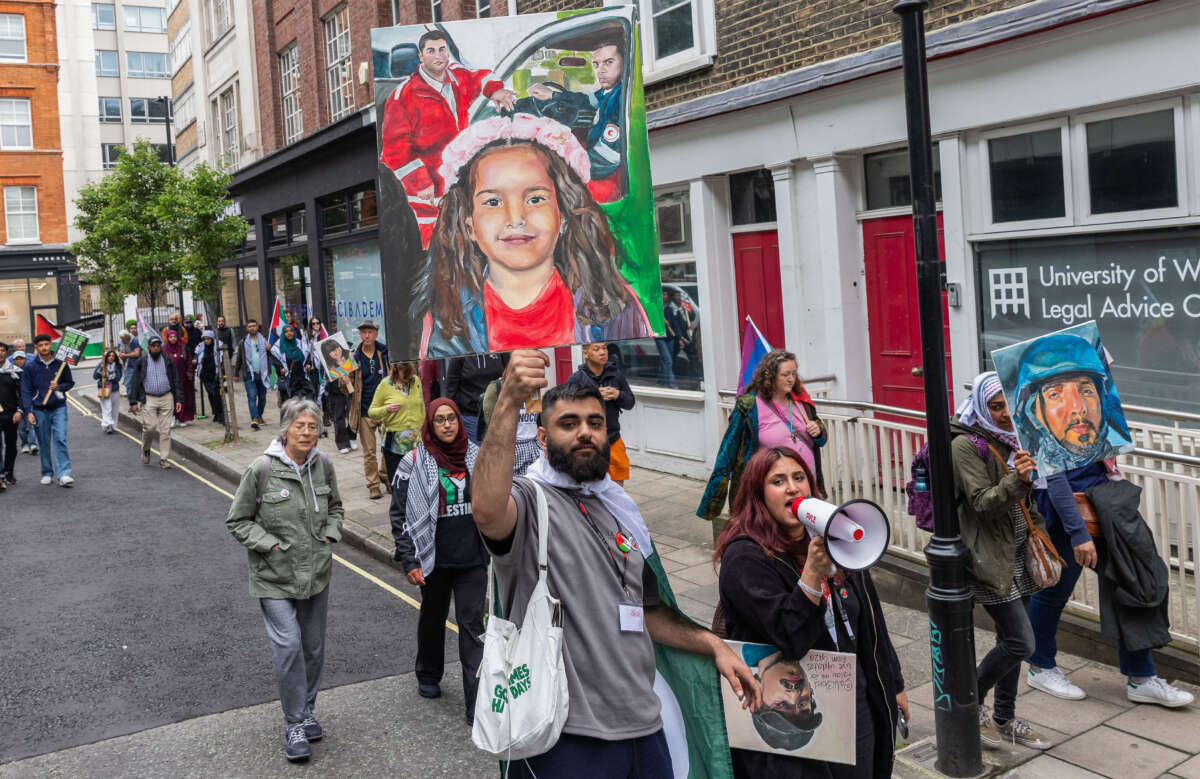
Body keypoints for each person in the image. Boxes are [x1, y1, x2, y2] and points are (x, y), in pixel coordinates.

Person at [471, 349, 761, 776]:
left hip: (644, 728)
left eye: (595, 423)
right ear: (543, 439)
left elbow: (646, 613)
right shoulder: (532, 503)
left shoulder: (617, 510)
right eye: (568, 424)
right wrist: (510, 400)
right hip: (565, 737)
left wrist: (712, 644)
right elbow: (487, 510)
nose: (585, 432)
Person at [716, 446, 907, 777]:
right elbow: (791, 636)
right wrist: (811, 576)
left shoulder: (836, 538)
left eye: (799, 477)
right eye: (777, 481)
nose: (792, 488)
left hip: (854, 696)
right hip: (791, 718)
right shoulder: (745, 558)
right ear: (758, 496)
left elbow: (872, 621)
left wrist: (895, 683)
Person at [419, 113, 653, 357]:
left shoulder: (610, 307)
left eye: (535, 199)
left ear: (563, 215)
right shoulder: (449, 319)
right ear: (469, 227)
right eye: (493, 201)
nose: (516, 217)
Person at [225, 398, 343, 763]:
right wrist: (270, 544)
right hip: (274, 576)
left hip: (316, 573)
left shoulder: (323, 466)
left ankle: (307, 711)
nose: (307, 432)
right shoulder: (261, 469)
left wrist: (330, 534)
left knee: (313, 648)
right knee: (289, 647)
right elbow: (238, 520)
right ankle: (294, 722)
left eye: (312, 426)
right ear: (285, 429)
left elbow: (336, 507)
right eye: (300, 426)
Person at [1026, 459, 1193, 707]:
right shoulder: (1045, 419)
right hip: (1064, 509)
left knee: (1131, 582)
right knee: (1053, 592)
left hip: (1103, 501)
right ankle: (1040, 667)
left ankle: (1142, 677)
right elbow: (1054, 475)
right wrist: (1078, 533)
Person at [950, 371, 1051, 749]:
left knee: (1010, 639)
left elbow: (1026, 501)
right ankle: (968, 704)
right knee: (1022, 642)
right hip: (990, 556)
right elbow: (981, 503)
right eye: (996, 406)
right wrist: (1018, 479)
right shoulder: (966, 446)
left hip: (1020, 552)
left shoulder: (1015, 439)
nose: (1005, 413)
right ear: (981, 406)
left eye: (1009, 404)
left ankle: (1004, 718)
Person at [389, 398, 486, 724]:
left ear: (460, 422)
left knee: (473, 625)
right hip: (433, 559)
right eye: (440, 420)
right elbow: (399, 514)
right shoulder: (413, 462)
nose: (446, 424)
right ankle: (428, 673)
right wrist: (409, 559)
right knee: (433, 617)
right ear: (430, 425)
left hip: (472, 557)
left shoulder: (478, 457)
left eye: (452, 419)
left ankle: (477, 705)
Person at [378, 29, 518, 247]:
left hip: (459, 183)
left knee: (468, 246)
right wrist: (421, 182)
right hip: (428, 196)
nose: (438, 55)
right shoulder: (403, 96)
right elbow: (394, 150)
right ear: (421, 57)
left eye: (442, 49)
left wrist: (494, 91)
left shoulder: (457, 78)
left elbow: (481, 77)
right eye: (431, 51)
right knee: (438, 252)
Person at [699, 350, 828, 522]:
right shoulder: (750, 406)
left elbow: (821, 438)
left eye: (794, 374)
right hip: (772, 492)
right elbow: (728, 451)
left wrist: (818, 430)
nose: (791, 379)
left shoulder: (801, 403)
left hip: (805, 487)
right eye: (785, 374)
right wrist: (712, 503)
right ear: (770, 376)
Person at [1010, 334, 1131, 475]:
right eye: (1054, 394)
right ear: (1033, 412)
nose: (1078, 408)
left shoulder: (1111, 446)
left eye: (1086, 391)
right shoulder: (1035, 469)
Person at [527, 41, 625, 203]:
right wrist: (553, 95)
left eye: (608, 62)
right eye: (596, 64)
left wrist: (562, 169)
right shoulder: (608, 92)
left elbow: (606, 159)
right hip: (599, 164)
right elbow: (586, 100)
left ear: (623, 62)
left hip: (605, 181)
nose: (600, 70)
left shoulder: (619, 98)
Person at [568, 342, 635, 484]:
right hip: (587, 441)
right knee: (591, 484)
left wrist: (618, 395)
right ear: (586, 354)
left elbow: (630, 403)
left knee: (617, 484)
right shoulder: (577, 379)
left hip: (613, 438)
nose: (602, 352)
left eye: (604, 348)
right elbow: (567, 408)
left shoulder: (616, 375)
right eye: (596, 349)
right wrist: (591, 397)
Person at [19, 333, 75, 486]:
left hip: (59, 407)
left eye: (46, 344)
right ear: (36, 348)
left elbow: (70, 383)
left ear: (51, 345)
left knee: (61, 439)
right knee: (43, 442)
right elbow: (26, 391)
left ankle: (64, 474)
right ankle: (46, 472)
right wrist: (29, 411)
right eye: (40, 345)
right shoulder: (30, 367)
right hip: (39, 409)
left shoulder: (61, 363)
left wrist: (59, 387)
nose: (44, 347)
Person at [128, 334, 183, 470]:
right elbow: (135, 382)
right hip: (149, 398)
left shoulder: (168, 360)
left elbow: (176, 380)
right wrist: (133, 401)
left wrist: (178, 399)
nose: (157, 348)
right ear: (149, 348)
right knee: (150, 427)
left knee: (165, 430)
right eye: (154, 346)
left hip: (166, 397)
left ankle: (164, 458)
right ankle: (146, 449)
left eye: (158, 345)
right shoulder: (142, 361)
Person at [369, 360, 424, 488]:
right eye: (406, 376)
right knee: (398, 484)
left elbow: (421, 407)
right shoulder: (385, 384)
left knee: (418, 484)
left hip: (416, 441)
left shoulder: (416, 381)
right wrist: (386, 409)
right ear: (396, 371)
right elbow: (372, 412)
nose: (409, 378)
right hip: (394, 443)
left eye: (411, 374)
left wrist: (424, 429)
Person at [350, 321, 388, 499]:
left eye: (370, 332)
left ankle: (386, 476)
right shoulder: (354, 357)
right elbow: (348, 390)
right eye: (363, 332)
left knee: (388, 447)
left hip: (385, 408)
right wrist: (345, 382)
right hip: (364, 410)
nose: (366, 335)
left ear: (376, 334)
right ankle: (373, 484)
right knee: (369, 451)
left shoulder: (385, 353)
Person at [444, 353, 504, 443]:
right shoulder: (460, 351)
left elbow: (508, 376)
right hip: (471, 418)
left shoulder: (498, 348)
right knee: (477, 454)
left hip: (499, 416)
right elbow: (451, 389)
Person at [0, 350, 24, 485]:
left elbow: (22, 393)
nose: (0, 353)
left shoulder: (16, 372)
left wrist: (20, 411)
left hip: (11, 415)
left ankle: (9, 472)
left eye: (2, 351)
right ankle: (0, 474)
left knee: (11, 445)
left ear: (6, 353)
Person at [163, 329, 195, 427]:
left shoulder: (183, 347)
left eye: (174, 337)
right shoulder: (164, 349)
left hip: (182, 378)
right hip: (169, 379)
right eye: (170, 337)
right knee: (171, 399)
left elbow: (188, 361)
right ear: (167, 338)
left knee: (182, 398)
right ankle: (172, 417)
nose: (173, 339)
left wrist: (189, 372)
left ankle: (181, 418)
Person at [9, 337, 36, 455]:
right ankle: (24, 444)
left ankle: (33, 444)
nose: (20, 361)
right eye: (19, 347)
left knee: (31, 423)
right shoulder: (8, 362)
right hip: (16, 401)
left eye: (23, 346)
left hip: (30, 398)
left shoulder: (33, 358)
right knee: (21, 426)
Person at [274, 325, 313, 403]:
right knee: (290, 405)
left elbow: (307, 356)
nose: (289, 333)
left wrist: (308, 364)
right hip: (289, 380)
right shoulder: (278, 347)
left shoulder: (300, 344)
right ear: (283, 333)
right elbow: (276, 360)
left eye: (291, 331)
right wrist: (280, 368)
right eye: (286, 331)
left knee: (306, 401)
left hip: (302, 379)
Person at [194, 330, 226, 425]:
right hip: (205, 375)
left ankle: (221, 414)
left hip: (215, 374)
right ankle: (216, 413)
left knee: (216, 394)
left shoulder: (218, 345)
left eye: (208, 339)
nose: (206, 341)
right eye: (205, 339)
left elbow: (223, 358)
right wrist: (195, 360)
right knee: (211, 394)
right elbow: (196, 355)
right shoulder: (201, 346)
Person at [92, 349, 123, 433]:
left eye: (113, 356)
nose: (111, 357)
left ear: (115, 357)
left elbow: (118, 378)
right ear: (106, 357)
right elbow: (94, 376)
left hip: (114, 390)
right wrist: (100, 370)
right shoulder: (101, 364)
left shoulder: (118, 366)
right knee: (106, 408)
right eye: (109, 355)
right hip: (103, 389)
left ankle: (113, 426)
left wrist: (107, 375)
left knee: (114, 410)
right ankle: (108, 424)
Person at [116, 329, 142, 397]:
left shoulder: (135, 340)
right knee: (128, 383)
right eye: (122, 339)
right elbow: (120, 353)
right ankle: (131, 397)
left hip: (136, 364)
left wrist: (126, 355)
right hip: (126, 366)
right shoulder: (120, 342)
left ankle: (133, 397)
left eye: (125, 339)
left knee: (134, 382)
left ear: (128, 336)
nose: (123, 341)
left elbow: (137, 353)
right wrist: (121, 356)